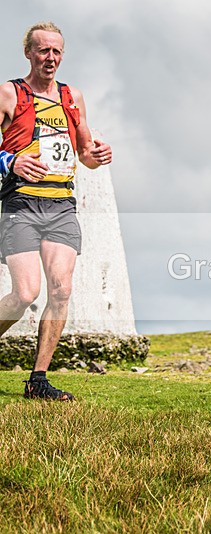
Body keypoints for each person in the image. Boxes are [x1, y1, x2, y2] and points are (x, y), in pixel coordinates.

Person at [0, 22, 113, 400]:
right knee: (24, 292)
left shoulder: (72, 97)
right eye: (43, 50)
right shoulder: (9, 93)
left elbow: (84, 151)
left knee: (61, 290)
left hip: (61, 203)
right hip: (21, 203)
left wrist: (96, 156)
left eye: (56, 52)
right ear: (28, 53)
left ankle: (38, 380)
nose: (50, 58)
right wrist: (10, 161)